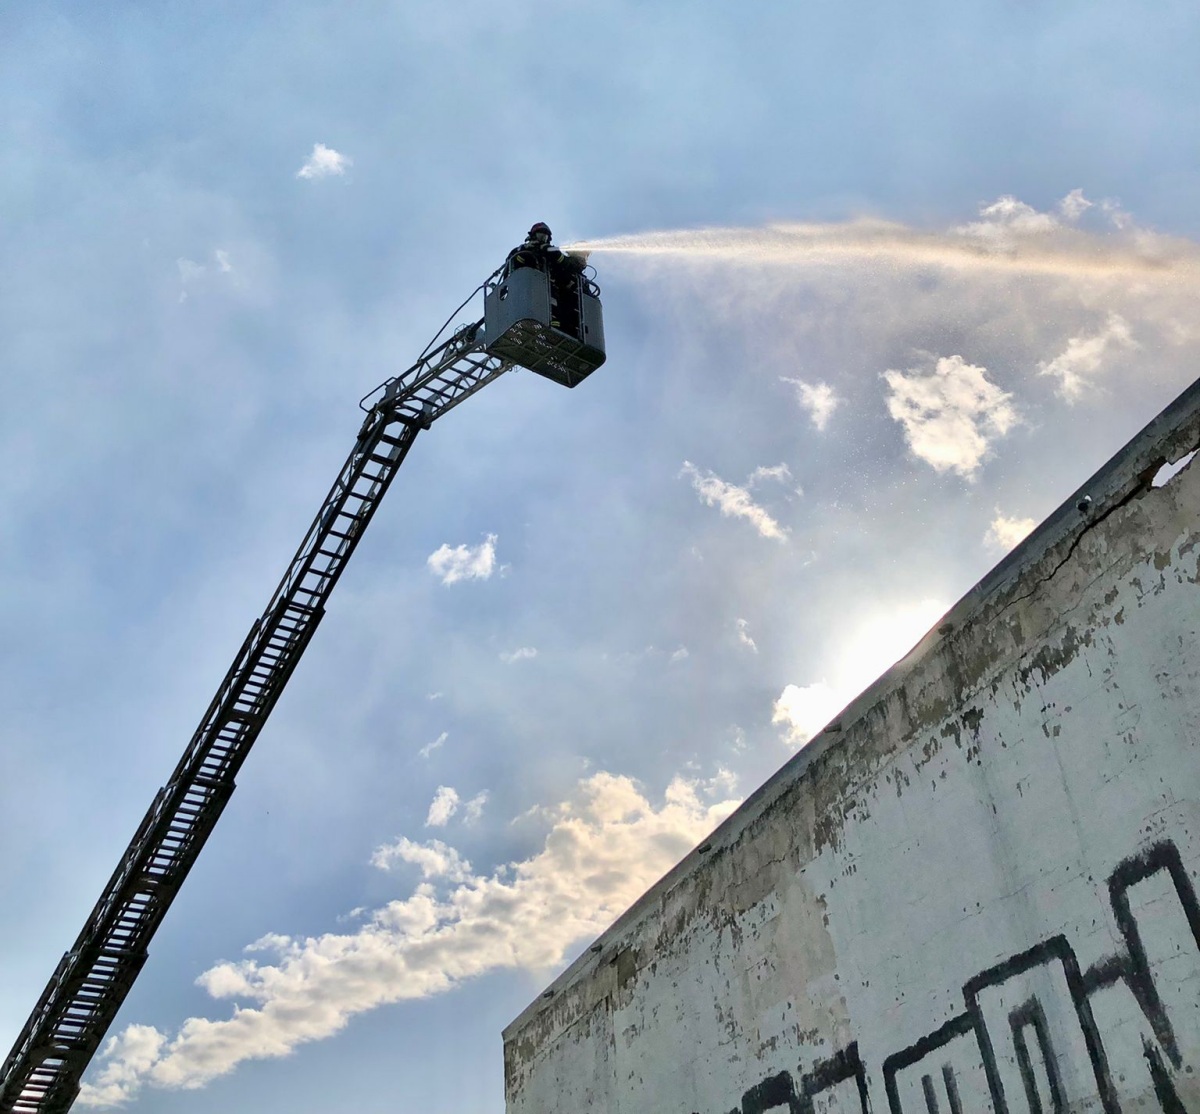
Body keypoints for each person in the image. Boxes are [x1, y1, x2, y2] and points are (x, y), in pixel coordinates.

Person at [505, 223, 587, 335]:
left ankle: (558, 325)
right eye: (541, 235)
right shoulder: (522, 251)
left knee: (557, 302)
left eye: (546, 236)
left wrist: (554, 253)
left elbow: (566, 265)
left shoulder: (551, 252)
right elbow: (509, 264)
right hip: (526, 290)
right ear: (533, 235)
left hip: (547, 290)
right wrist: (524, 250)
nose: (543, 238)